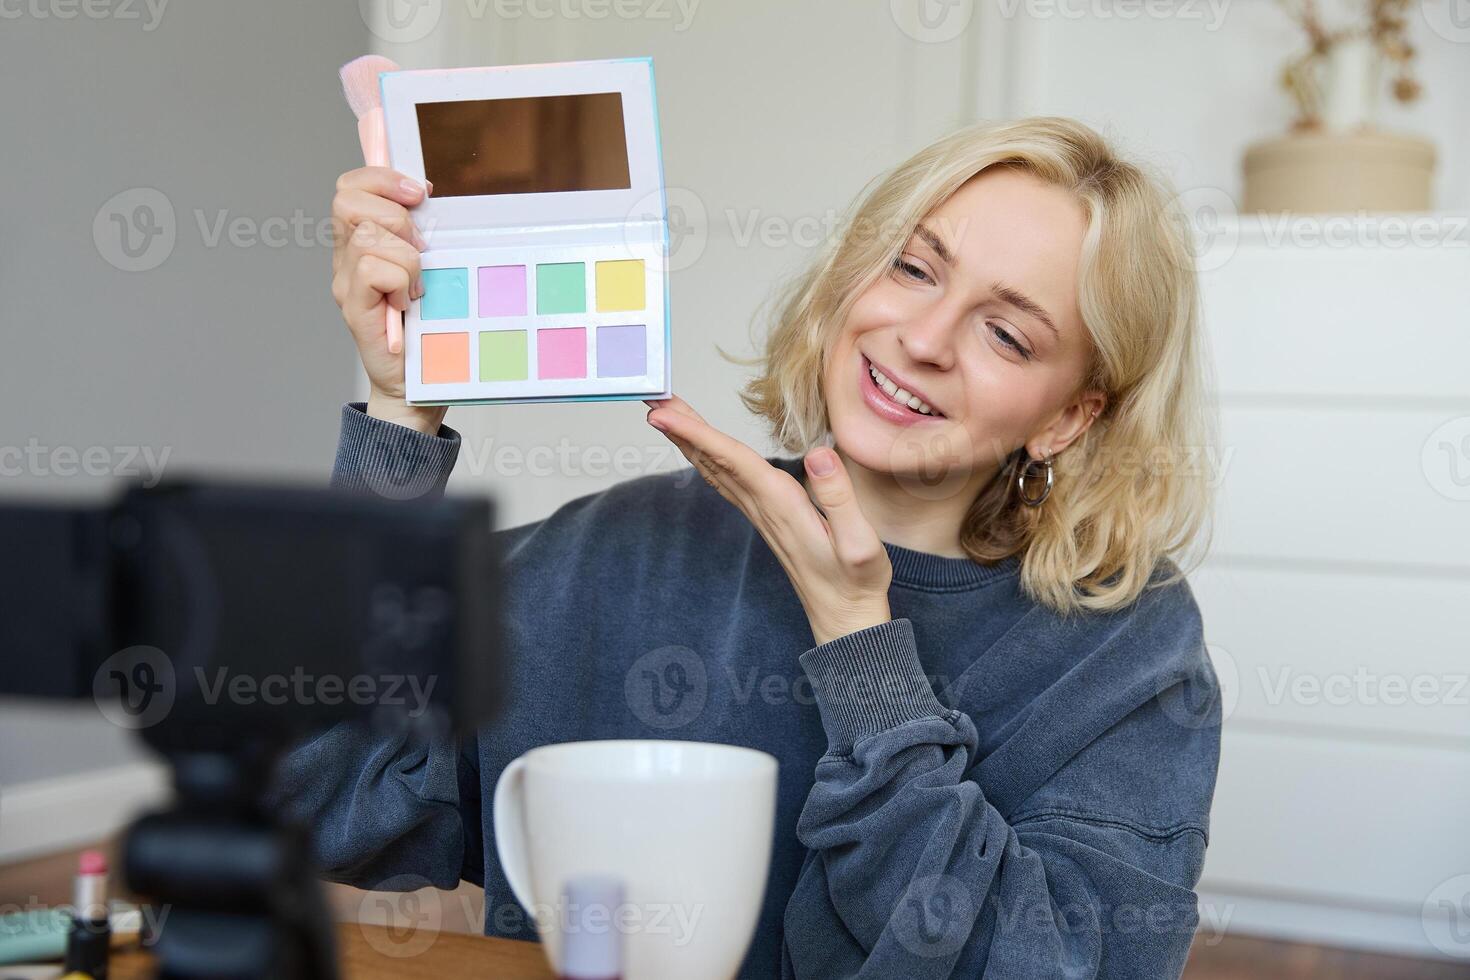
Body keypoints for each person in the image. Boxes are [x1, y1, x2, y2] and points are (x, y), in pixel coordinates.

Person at [273, 116, 1223, 978]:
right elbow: (322, 796)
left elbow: (1067, 966)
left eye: (1008, 334)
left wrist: (860, 642)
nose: (924, 337)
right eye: (914, 269)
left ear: (1067, 417)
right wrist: (402, 408)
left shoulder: (1124, 642)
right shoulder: (626, 547)